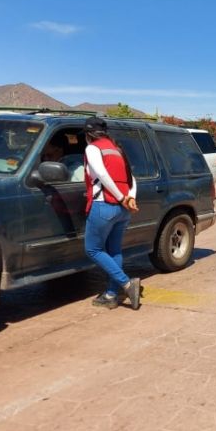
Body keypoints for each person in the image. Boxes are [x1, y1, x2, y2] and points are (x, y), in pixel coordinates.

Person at [82, 117, 141, 309]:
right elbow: (132, 179)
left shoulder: (93, 148)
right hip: (123, 210)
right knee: (114, 250)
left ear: (88, 134)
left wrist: (119, 197)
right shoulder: (117, 149)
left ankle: (127, 284)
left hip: (104, 205)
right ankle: (111, 294)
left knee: (93, 249)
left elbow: (102, 175)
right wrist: (129, 198)